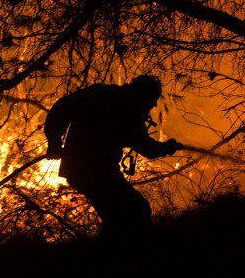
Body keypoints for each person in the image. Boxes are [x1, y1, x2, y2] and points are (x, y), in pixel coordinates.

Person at [44, 75, 182, 237]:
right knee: (136, 210)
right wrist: (168, 147)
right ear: (143, 95)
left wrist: (54, 141)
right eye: (153, 99)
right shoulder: (130, 112)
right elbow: (147, 148)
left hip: (81, 170)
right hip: (97, 172)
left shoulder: (101, 93)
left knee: (118, 216)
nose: (153, 105)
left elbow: (61, 107)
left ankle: (115, 251)